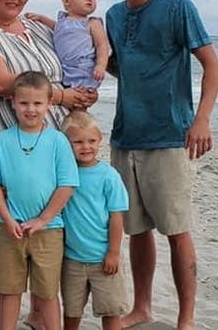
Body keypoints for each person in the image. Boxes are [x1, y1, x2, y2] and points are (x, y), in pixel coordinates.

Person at [0, 0, 98, 330]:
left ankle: (39, 312)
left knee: (48, 223)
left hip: (53, 135)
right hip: (8, 132)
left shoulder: (37, 28)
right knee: (11, 226)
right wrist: (62, 96)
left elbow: (73, 54)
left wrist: (84, 90)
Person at [105, 0, 218, 330]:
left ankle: (186, 318)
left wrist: (202, 119)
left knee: (176, 229)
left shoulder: (177, 7)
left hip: (170, 137)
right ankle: (142, 307)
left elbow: (212, 66)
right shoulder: (113, 15)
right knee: (136, 230)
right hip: (125, 136)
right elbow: (121, 66)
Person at [0, 71, 79, 330]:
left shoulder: (57, 140)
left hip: (49, 229)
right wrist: (6, 217)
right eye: (24, 103)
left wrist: (43, 219)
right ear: (13, 102)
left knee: (47, 291)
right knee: (9, 289)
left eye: (37, 103)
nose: (31, 109)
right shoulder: (2, 140)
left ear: (49, 103)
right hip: (11, 227)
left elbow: (67, 184)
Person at [59, 111, 129, 330]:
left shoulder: (109, 175)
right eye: (78, 142)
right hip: (72, 259)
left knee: (111, 310)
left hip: (103, 258)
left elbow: (117, 216)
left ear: (100, 140)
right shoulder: (63, 174)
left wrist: (113, 252)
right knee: (71, 312)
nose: (86, 147)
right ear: (66, 144)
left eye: (91, 140)